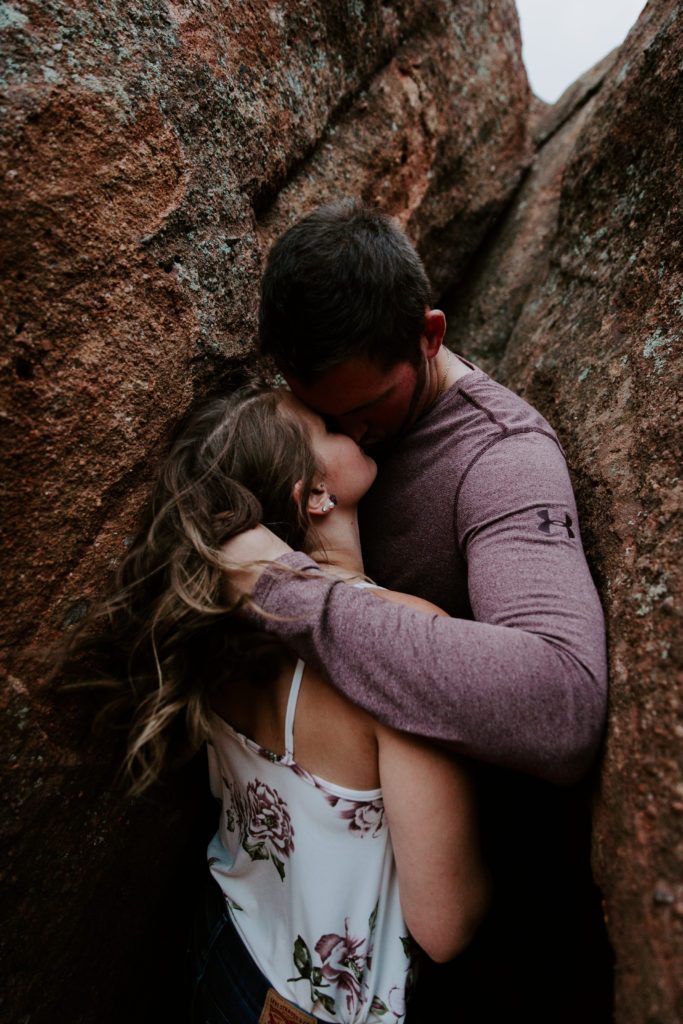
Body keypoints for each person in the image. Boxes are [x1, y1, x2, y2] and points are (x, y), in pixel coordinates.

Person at [222, 200, 611, 1021]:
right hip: (269, 909)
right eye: (321, 410)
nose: (344, 429)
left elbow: (561, 700)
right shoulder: (316, 417)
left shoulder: (503, 459)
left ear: (429, 335)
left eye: (370, 407)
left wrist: (286, 592)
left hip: (431, 931)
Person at [69, 382, 489, 1024]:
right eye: (329, 425)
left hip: (222, 943)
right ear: (315, 493)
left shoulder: (219, 622)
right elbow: (447, 926)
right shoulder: (398, 639)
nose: (353, 422)